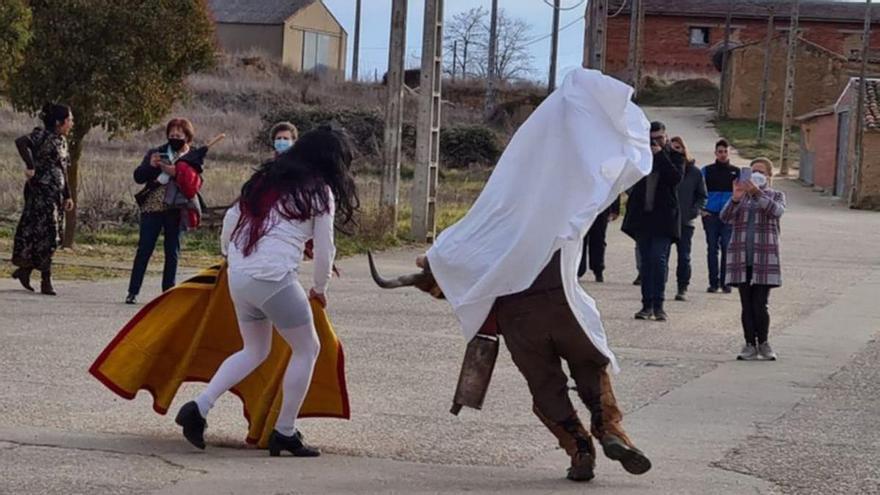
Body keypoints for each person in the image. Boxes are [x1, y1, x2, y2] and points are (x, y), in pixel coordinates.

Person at [370, 69, 653, 483]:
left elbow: (468, 246)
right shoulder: (565, 209)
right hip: (564, 307)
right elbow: (594, 175)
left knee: (546, 388)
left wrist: (434, 266)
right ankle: (611, 429)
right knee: (592, 368)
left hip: (518, 321)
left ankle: (578, 451)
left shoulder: (504, 209)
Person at [174, 127, 359, 457]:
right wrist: (319, 288)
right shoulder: (319, 191)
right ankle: (285, 431)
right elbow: (325, 249)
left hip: (240, 274)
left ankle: (198, 408)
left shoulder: (267, 178)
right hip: (273, 279)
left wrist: (229, 256)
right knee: (308, 349)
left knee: (255, 349)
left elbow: (232, 219)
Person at [721, 157, 785, 361]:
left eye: (761, 172)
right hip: (741, 258)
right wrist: (736, 197)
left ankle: (764, 343)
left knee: (760, 304)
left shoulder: (775, 195)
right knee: (746, 304)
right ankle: (749, 343)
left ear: (768, 176)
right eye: (752, 171)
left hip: (764, 259)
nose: (756, 175)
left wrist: (757, 193)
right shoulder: (741, 197)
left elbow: (776, 211)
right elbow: (725, 217)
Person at [126, 118, 196, 304]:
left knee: (172, 251)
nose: (174, 138)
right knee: (144, 249)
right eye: (171, 135)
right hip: (153, 207)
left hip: (177, 208)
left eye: (179, 135)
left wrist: (177, 173)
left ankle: (168, 292)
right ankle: (133, 291)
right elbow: (138, 177)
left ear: (187, 137)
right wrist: (151, 166)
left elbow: (194, 183)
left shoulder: (192, 157)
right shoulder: (156, 152)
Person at [622, 121, 685, 321]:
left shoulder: (675, 156)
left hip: (664, 220)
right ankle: (646, 304)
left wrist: (660, 155)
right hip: (643, 219)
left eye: (659, 138)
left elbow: (675, 179)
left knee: (658, 260)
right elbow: (628, 178)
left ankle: (659, 304)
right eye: (652, 139)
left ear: (666, 137)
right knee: (646, 262)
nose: (655, 142)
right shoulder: (640, 157)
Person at [11, 103, 75, 296]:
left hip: (56, 194)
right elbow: (21, 142)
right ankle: (45, 280)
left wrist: (68, 195)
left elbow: (64, 169)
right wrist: (30, 166)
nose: (71, 123)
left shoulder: (62, 141)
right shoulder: (42, 135)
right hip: (40, 193)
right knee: (45, 234)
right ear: (59, 122)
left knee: (51, 235)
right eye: (69, 119)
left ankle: (26, 270)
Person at [669, 136, 707, 302]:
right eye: (672, 148)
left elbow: (702, 196)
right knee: (660, 256)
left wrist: (695, 210)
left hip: (685, 221)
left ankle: (682, 287)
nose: (676, 151)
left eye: (679, 148)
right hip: (666, 220)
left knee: (684, 256)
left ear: (684, 149)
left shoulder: (694, 172)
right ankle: (658, 288)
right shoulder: (665, 169)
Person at [702, 139, 740, 294]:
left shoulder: (736, 172)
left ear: (729, 152)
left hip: (729, 215)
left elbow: (741, 194)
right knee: (712, 248)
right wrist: (701, 209)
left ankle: (726, 282)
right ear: (715, 153)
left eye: (725, 151)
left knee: (727, 247)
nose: (723, 154)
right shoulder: (706, 170)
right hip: (710, 214)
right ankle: (713, 282)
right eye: (720, 151)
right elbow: (699, 191)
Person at [577, 197, 620, 282]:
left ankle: (598, 269)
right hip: (582, 206)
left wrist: (615, 208)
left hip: (601, 207)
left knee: (598, 240)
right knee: (581, 240)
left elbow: (613, 185)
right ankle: (579, 269)